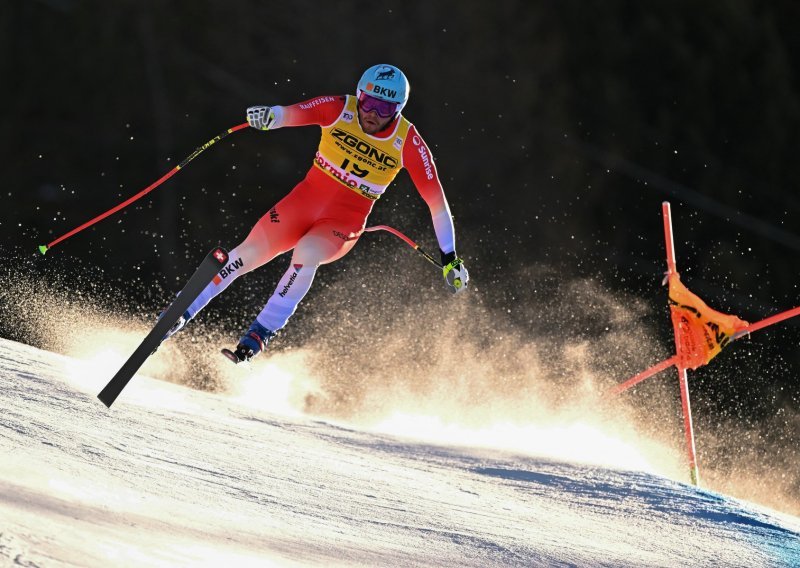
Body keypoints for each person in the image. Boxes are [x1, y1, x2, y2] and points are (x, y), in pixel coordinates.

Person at [165, 63, 469, 363]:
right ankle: (182, 311)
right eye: (368, 102)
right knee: (247, 252)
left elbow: (437, 205)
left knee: (307, 252)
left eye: (384, 109)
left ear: (398, 110)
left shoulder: (409, 142)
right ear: (358, 95)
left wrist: (449, 257)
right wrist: (270, 117)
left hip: (341, 224)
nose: (372, 114)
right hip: (301, 204)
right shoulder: (340, 108)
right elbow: (292, 113)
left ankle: (261, 331)